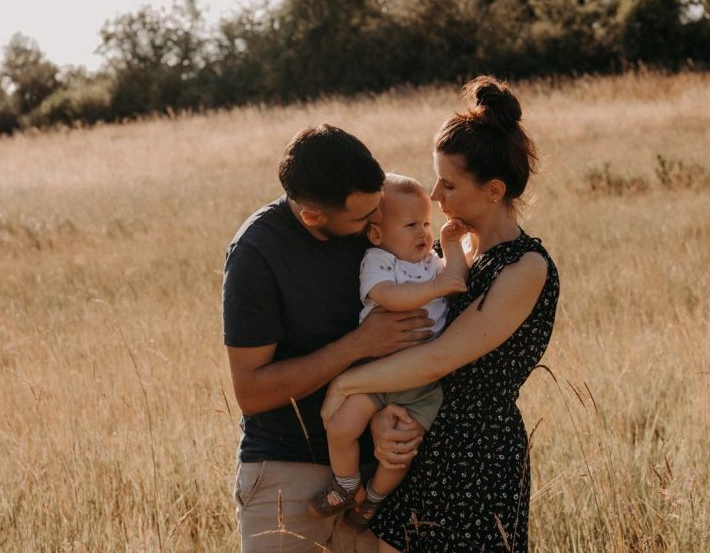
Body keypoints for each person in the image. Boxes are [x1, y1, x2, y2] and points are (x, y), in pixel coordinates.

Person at [321, 76, 560, 551]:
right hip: (421, 439)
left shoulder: (524, 267)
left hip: (476, 457)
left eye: (448, 183)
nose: (434, 194)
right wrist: (379, 418)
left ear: (493, 190)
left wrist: (344, 383)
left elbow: (438, 359)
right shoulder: (446, 253)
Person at [222, 125, 431, 552]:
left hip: (377, 473)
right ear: (313, 216)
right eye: (362, 218)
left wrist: (389, 419)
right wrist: (358, 344)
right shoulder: (257, 254)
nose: (376, 222)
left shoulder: (375, 219)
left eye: (378, 208)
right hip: (286, 475)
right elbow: (252, 391)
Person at [308, 174, 469, 530]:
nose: (422, 234)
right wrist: (433, 289)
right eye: (411, 225)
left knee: (399, 453)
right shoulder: (378, 261)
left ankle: (375, 498)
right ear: (378, 233)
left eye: (427, 224)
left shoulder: (432, 262)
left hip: (420, 380)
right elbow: (388, 297)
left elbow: (456, 280)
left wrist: (450, 245)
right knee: (339, 426)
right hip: (377, 373)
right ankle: (348, 484)